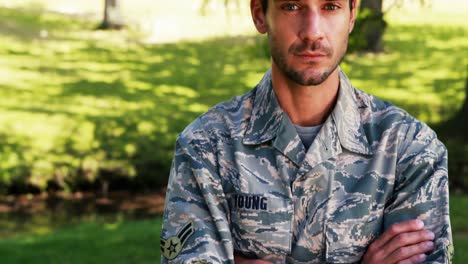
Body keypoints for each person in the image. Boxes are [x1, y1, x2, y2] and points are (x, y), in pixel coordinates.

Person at [160, 0, 453, 263]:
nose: (313, 31)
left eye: (330, 7)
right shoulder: (206, 146)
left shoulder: (411, 150)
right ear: (260, 15)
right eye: (292, 6)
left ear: (352, 15)